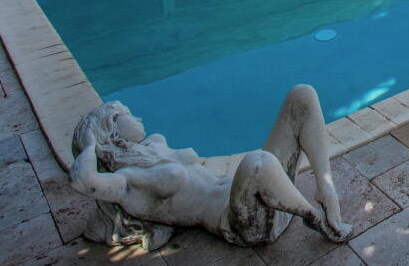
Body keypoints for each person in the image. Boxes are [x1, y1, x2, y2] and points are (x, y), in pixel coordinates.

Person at [69, 85, 349, 250]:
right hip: (245, 223)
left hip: (267, 195)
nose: (137, 117)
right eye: (127, 115)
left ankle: (327, 191)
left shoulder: (154, 145)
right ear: (111, 132)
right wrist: (92, 143)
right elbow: (85, 181)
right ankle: (315, 219)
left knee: (302, 95)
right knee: (258, 162)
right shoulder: (128, 181)